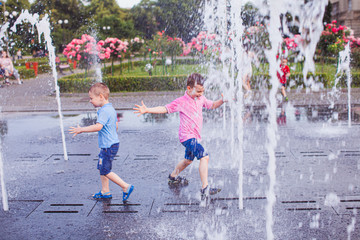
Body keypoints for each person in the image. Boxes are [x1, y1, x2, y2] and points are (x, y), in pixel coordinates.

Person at [133, 73, 225, 200]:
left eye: (202, 91)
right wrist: (148, 110)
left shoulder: (201, 99)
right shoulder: (181, 101)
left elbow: (212, 105)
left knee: (188, 160)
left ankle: (173, 177)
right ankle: (205, 188)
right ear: (189, 88)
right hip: (187, 137)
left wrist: (222, 101)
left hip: (194, 137)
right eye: (198, 91)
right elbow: (165, 108)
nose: (200, 94)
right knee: (204, 157)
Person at [69, 83, 134, 201]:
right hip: (110, 144)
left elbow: (98, 127)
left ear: (100, 96)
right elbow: (116, 125)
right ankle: (105, 191)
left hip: (108, 146)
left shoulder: (104, 111)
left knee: (105, 170)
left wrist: (81, 129)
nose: (90, 101)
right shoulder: (110, 108)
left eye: (91, 98)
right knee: (101, 167)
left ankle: (125, 186)